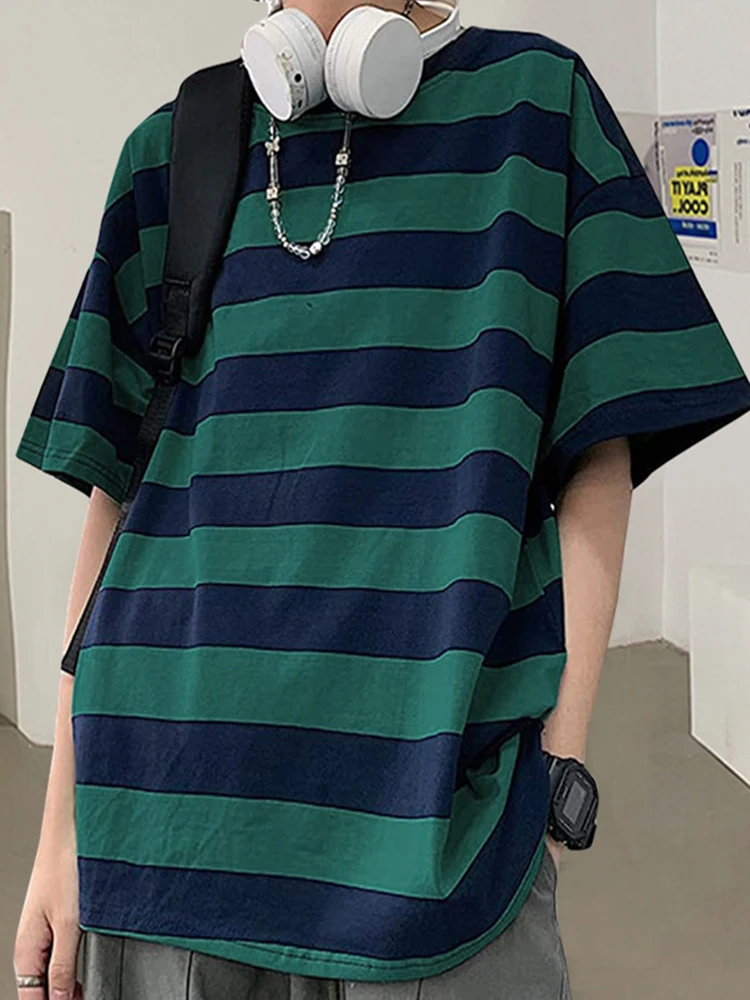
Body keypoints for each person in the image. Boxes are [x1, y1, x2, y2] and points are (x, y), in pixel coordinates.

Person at [12, 1, 750, 998]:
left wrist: (558, 769)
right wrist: (62, 834)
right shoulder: (172, 148)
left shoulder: (538, 108)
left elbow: (597, 453)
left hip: (436, 848)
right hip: (164, 831)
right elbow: (118, 495)